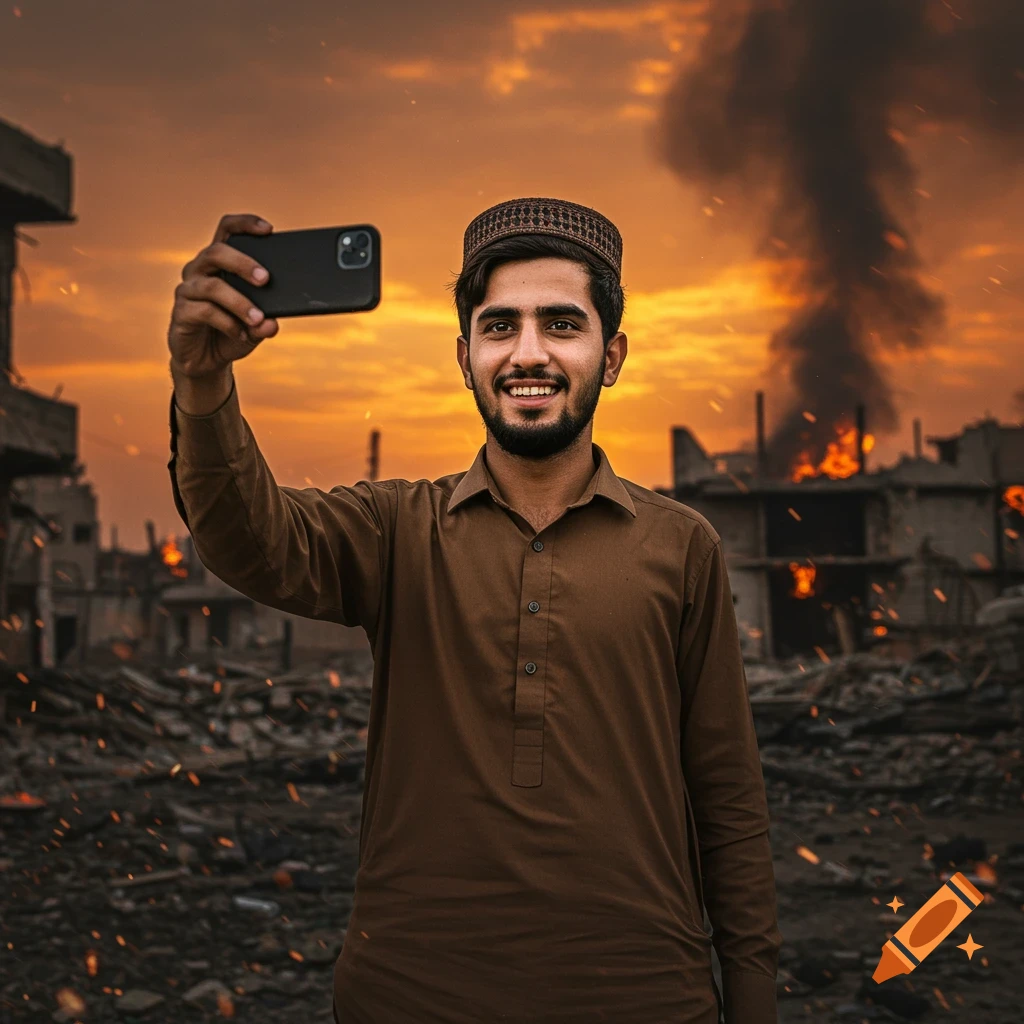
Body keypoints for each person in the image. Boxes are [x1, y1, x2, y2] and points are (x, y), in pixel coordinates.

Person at [166, 198, 783, 1023]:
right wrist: (202, 380)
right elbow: (246, 539)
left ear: (612, 355)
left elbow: (727, 796)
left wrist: (752, 993)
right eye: (500, 327)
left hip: (646, 998)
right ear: (465, 358)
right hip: (409, 999)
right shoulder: (395, 529)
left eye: (562, 324)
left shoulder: (682, 545)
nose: (529, 353)